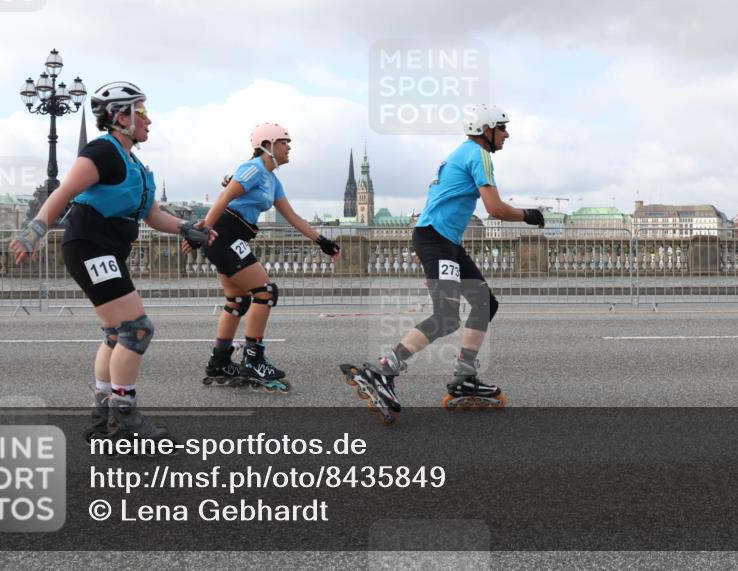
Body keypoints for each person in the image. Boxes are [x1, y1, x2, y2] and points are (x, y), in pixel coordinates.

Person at [10, 81, 216, 442]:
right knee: (137, 330)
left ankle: (103, 417)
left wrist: (186, 227)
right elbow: (65, 191)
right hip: (90, 245)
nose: (148, 120)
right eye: (142, 111)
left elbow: (151, 216)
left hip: (104, 247)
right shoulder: (102, 152)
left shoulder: (132, 161)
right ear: (120, 115)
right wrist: (34, 231)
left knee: (115, 334)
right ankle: (124, 421)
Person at [341, 104, 544, 424]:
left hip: (442, 242)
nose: (507, 134)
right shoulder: (480, 156)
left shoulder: (461, 153)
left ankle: (465, 376)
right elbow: (494, 208)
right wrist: (530, 215)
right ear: (486, 130)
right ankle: (383, 371)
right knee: (447, 316)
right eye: (502, 128)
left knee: (484, 303)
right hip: (437, 241)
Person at [194, 122, 340, 392]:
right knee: (266, 291)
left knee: (238, 300)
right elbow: (225, 197)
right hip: (225, 234)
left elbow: (292, 217)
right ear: (268, 145)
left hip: (233, 236)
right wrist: (204, 231)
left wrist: (321, 240)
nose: (289, 148)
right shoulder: (253, 169)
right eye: (285, 142)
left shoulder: (273, 180)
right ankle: (253, 360)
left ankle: (219, 361)